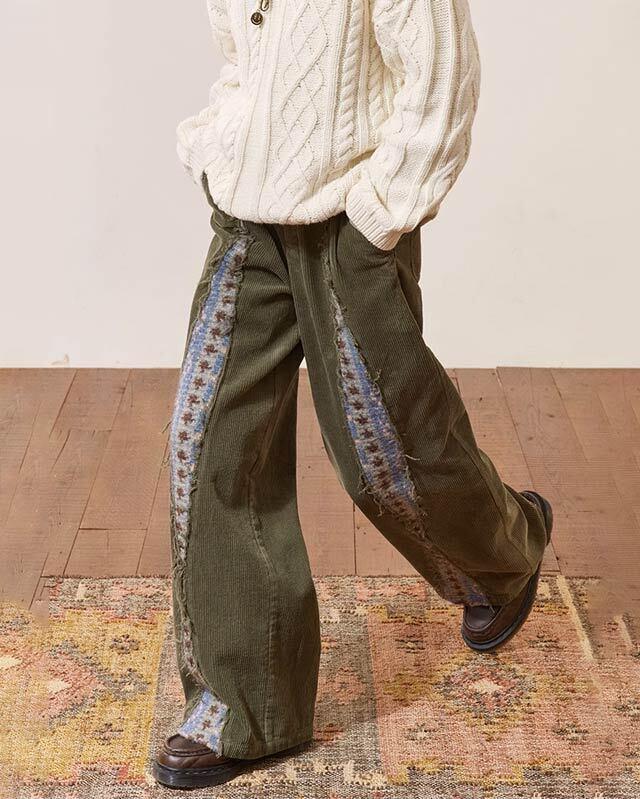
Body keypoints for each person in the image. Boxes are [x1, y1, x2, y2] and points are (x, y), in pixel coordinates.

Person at [152, 0, 553, 789]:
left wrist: (381, 213)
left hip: (349, 224)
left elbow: (440, 76)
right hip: (246, 221)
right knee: (205, 443)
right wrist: (219, 149)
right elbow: (240, 54)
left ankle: (501, 559)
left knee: (381, 453)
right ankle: (245, 708)